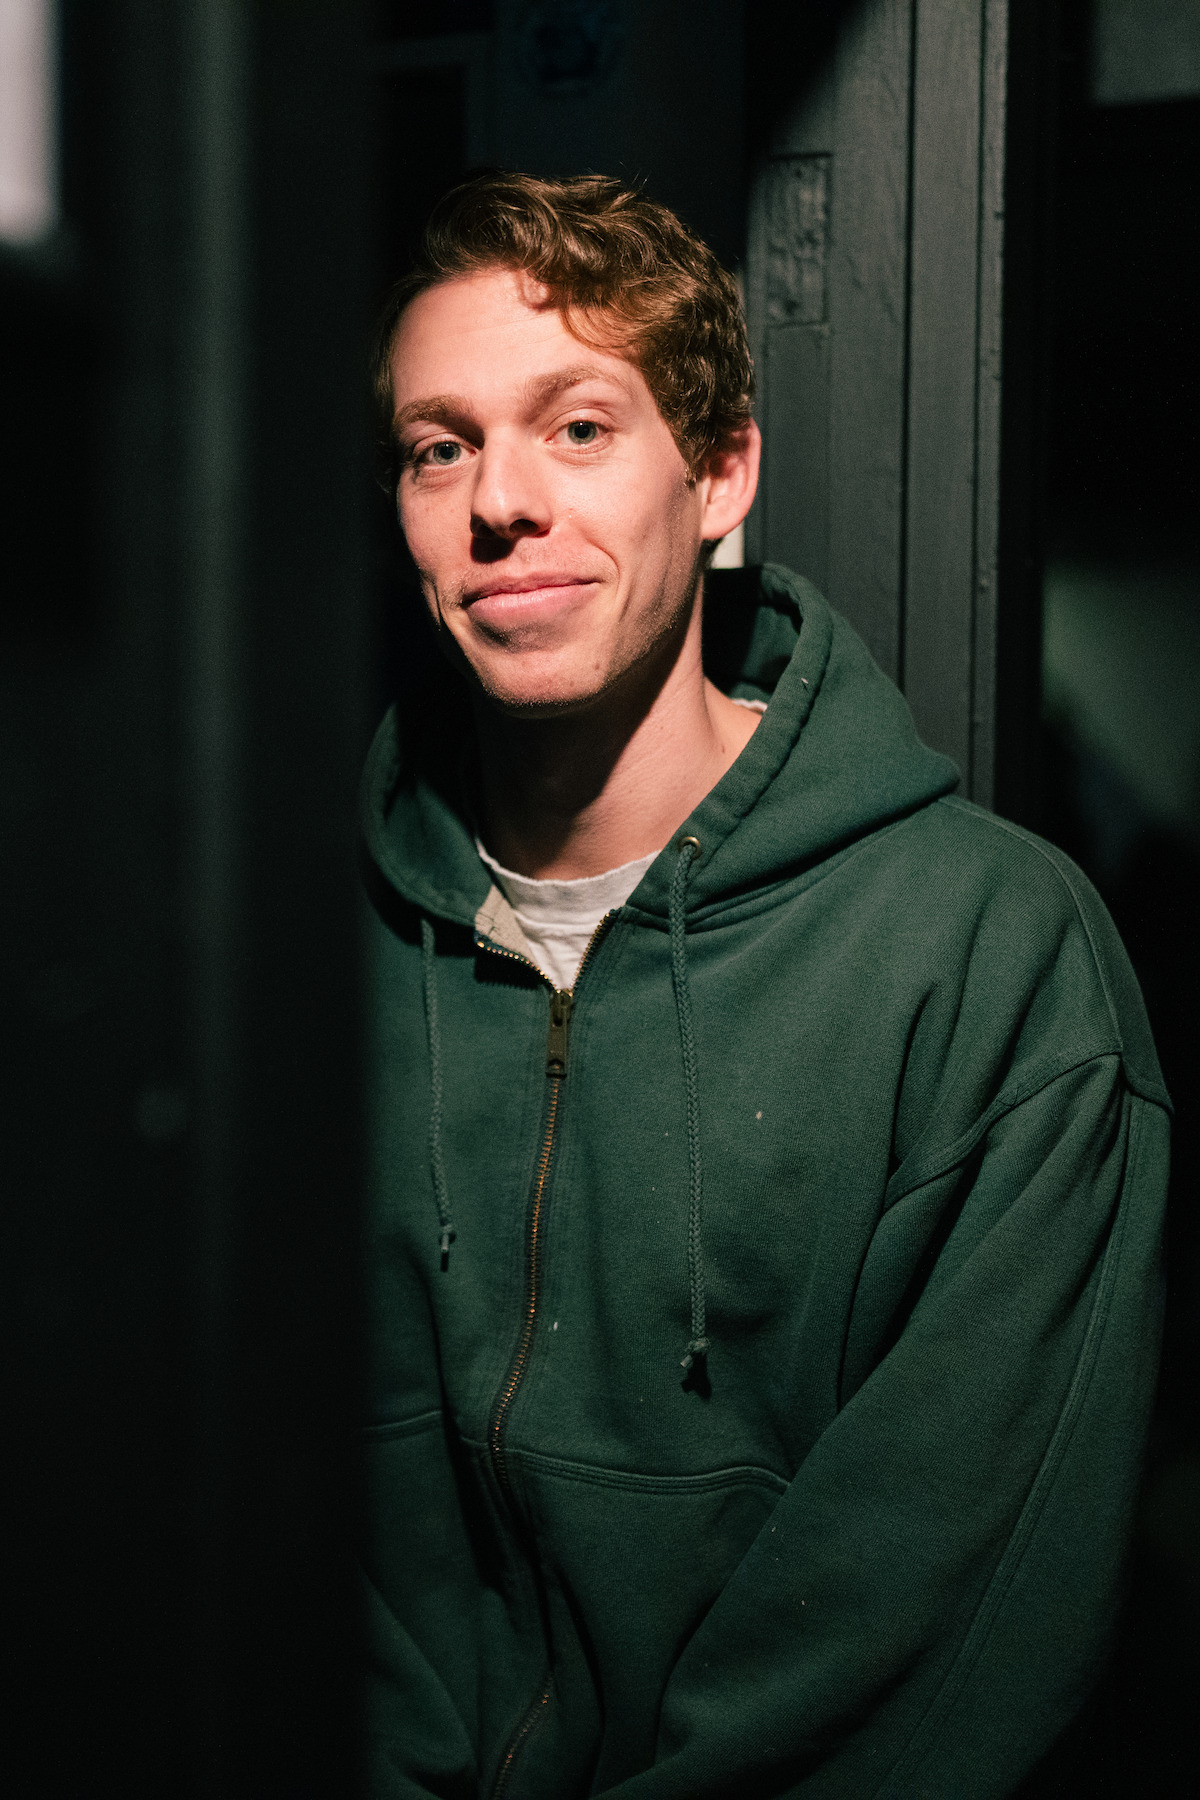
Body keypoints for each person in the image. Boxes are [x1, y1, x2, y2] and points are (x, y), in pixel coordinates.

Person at [360, 171, 1169, 1799]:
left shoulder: (985, 960)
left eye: (577, 427)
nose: (496, 501)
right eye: (440, 445)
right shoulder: (302, 950)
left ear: (721, 476)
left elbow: (932, 1634)